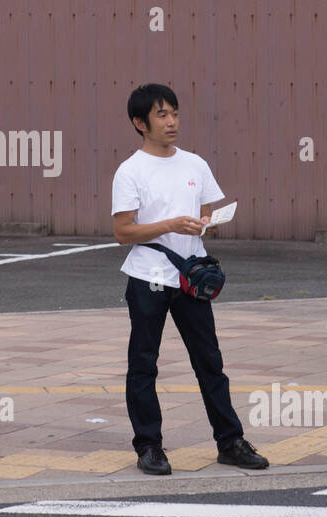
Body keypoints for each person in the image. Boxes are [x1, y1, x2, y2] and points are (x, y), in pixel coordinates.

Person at [111, 83, 268, 475]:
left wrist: (203, 226)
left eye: (175, 113)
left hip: (191, 276)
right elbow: (122, 232)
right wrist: (170, 224)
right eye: (162, 114)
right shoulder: (130, 171)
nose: (171, 121)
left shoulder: (195, 164)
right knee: (144, 364)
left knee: (209, 361)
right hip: (148, 276)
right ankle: (149, 447)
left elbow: (199, 219)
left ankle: (230, 442)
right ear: (139, 123)